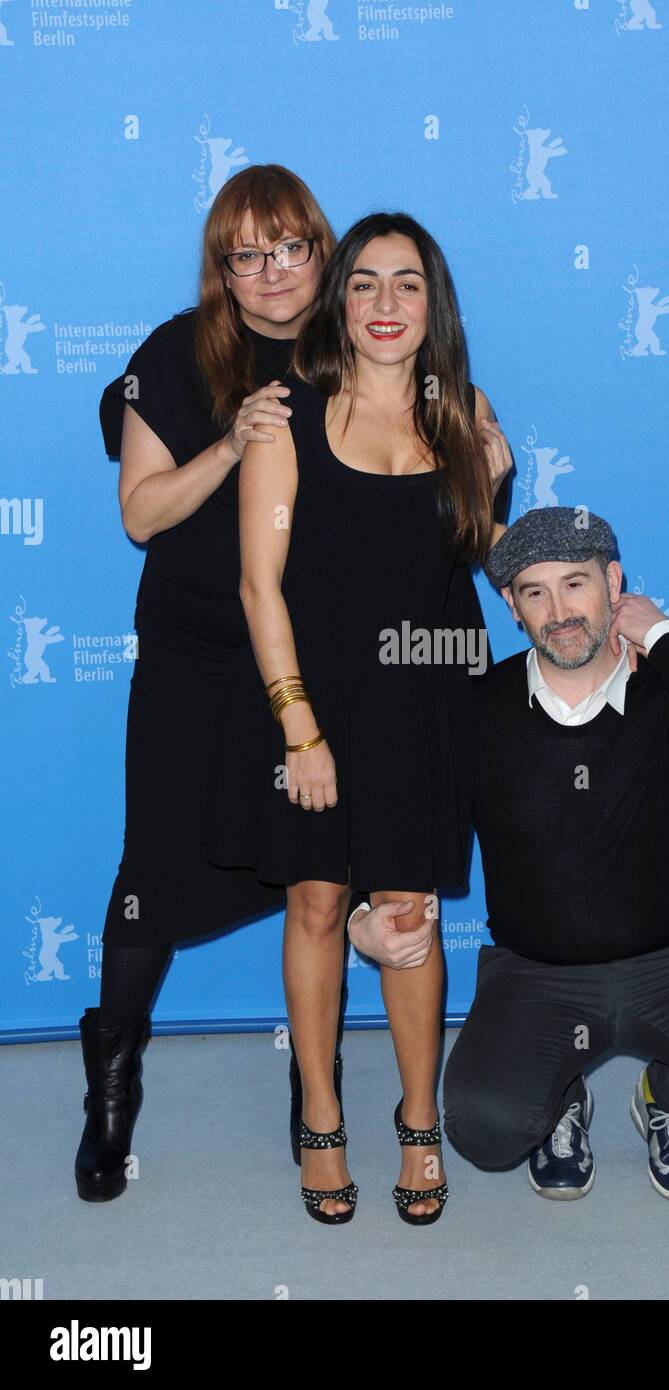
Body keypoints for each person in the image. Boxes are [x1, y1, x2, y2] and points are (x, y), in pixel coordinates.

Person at [353, 507, 669, 1203]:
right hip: (536, 976)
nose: (559, 612)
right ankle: (560, 1099)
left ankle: (664, 1095)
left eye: (576, 583)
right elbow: (407, 823)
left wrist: (663, 635)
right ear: (511, 606)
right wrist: (362, 914)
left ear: (614, 584)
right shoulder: (477, 707)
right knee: (485, 1128)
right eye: (534, 592)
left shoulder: (665, 689)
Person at [204, 211, 512, 1225]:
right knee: (317, 906)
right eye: (366, 282)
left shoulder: (462, 412)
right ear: (339, 301)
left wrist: (494, 484)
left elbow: (472, 556)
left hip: (425, 696)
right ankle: (321, 1116)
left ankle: (419, 1120)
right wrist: (298, 729)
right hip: (315, 698)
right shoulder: (285, 415)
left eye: (407, 283)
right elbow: (258, 584)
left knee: (410, 915)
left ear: (433, 304)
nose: (386, 303)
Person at [75, 165, 340, 1203]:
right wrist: (231, 443)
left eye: (291, 248)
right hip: (193, 650)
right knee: (151, 864)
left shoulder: (360, 347)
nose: (272, 272)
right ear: (220, 270)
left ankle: (313, 1083)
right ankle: (112, 1082)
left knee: (316, 867)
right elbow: (140, 515)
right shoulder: (176, 353)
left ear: (321, 250)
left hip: (315, 652)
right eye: (247, 254)